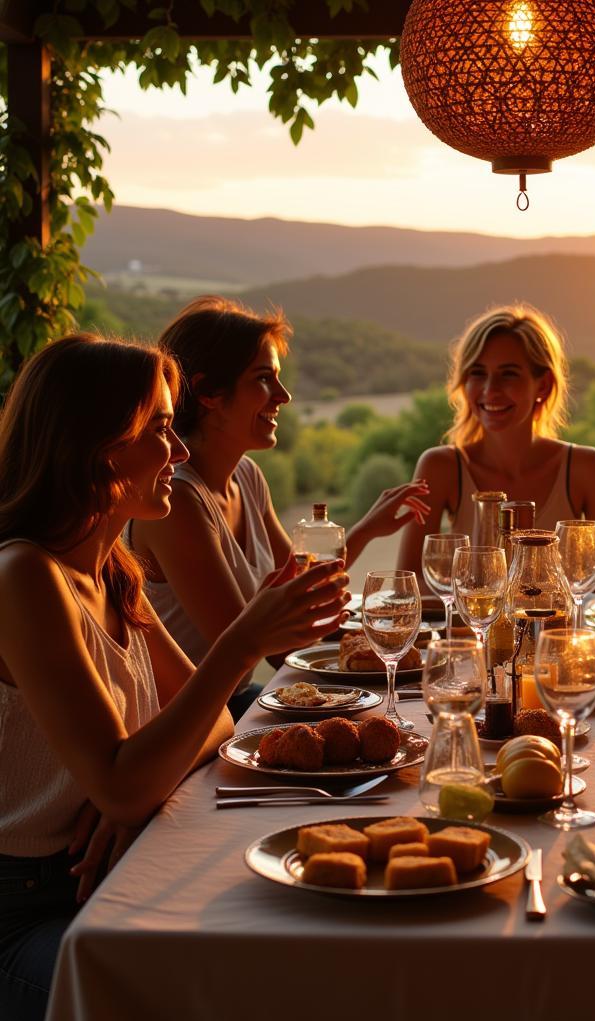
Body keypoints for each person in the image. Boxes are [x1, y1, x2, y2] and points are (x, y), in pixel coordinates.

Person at [0, 335, 348, 1021]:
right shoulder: (24, 576)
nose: (181, 451)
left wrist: (126, 788)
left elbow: (216, 724)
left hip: (106, 870)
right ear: (97, 444)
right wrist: (243, 640)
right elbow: (130, 778)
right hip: (27, 910)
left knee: (286, 950)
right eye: (160, 431)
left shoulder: (109, 573)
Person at [130, 297, 430, 719]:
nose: (283, 396)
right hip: (186, 719)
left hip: (234, 699)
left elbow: (297, 595)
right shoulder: (179, 501)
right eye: (264, 379)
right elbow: (253, 645)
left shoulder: (247, 477)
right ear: (208, 392)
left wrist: (366, 529)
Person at [397, 304, 595, 573]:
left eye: (508, 374)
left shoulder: (586, 466)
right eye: (477, 373)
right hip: (471, 618)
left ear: (543, 385)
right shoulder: (440, 466)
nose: (490, 390)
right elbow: (408, 583)